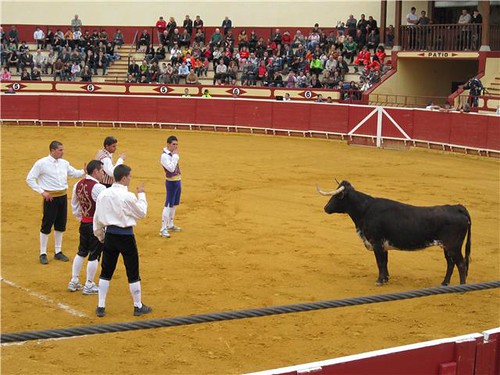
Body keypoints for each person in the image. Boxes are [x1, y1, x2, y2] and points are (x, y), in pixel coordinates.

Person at [93, 164, 151, 317]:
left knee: (106, 271)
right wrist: (142, 195)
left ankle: (101, 306)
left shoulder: (103, 195)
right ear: (124, 177)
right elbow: (142, 213)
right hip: (126, 237)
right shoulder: (128, 196)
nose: (130, 179)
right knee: (132, 271)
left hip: (110, 236)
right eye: (130, 176)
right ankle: (138, 306)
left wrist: (101, 237)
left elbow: (97, 220)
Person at [26, 141, 85, 264]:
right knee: (47, 224)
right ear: (52, 150)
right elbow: (30, 179)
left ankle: (58, 251)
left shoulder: (64, 163)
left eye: (62, 150)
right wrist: (42, 191)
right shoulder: (41, 163)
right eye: (60, 150)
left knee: (60, 224)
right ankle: (43, 253)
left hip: (62, 196)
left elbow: (74, 173)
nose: (62, 152)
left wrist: (84, 171)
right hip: (50, 198)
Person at [68, 160, 106, 294]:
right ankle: (89, 284)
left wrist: (82, 218)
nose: (103, 173)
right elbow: (104, 208)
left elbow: (75, 206)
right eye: (101, 171)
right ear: (95, 171)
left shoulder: (77, 184)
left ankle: (74, 280)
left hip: (84, 223)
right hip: (95, 225)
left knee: (81, 251)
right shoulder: (98, 187)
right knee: (94, 255)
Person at [159, 136, 182, 238]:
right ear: (168, 144)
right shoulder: (164, 156)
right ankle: (163, 228)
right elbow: (171, 169)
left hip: (177, 181)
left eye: (176, 144)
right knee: (168, 204)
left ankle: (170, 224)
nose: (175, 146)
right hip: (171, 182)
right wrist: (176, 157)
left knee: (174, 204)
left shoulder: (171, 154)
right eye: (173, 144)